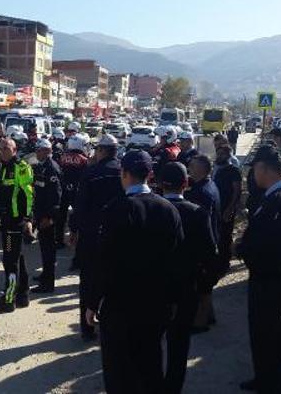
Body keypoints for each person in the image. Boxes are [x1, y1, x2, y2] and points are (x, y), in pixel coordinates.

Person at [85, 150, 184, 393]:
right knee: (150, 365)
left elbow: (103, 262)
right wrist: (173, 301)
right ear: (150, 175)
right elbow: (178, 260)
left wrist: (92, 301)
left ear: (125, 174)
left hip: (120, 307)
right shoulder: (168, 209)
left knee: (119, 371)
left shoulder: (115, 210)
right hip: (156, 305)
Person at [237, 145, 281, 394]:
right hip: (278, 276)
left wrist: (242, 249)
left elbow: (268, 246)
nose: (254, 175)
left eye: (255, 169)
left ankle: (271, 384)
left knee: (268, 337)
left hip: (271, 280)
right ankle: (264, 378)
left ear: (264, 169)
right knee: (265, 336)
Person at [160, 162, 218, 394]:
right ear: (186, 183)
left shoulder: (151, 209)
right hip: (185, 288)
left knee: (150, 341)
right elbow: (210, 253)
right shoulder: (197, 213)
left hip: (152, 289)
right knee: (179, 344)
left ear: (159, 184)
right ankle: (173, 387)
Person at [71, 134, 123, 341]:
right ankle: (112, 326)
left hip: (92, 237)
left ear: (101, 150)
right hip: (118, 236)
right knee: (115, 282)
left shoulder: (91, 173)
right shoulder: (123, 172)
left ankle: (87, 328)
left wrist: (73, 230)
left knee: (88, 283)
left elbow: (80, 204)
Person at [0, 138, 35, 313]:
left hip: (14, 224)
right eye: (1, 148)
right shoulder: (4, 166)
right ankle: (23, 295)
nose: (3, 151)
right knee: (18, 259)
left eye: (7, 148)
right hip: (7, 221)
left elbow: (29, 195)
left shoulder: (21, 167)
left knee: (10, 262)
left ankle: (9, 299)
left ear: (15, 150)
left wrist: (28, 220)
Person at [185, 154, 222, 332]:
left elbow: (199, 223)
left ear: (200, 169)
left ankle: (200, 322)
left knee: (201, 287)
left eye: (191, 166)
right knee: (205, 285)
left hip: (203, 245)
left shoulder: (201, 193)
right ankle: (210, 315)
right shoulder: (209, 185)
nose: (189, 168)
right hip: (212, 240)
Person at [31, 138, 62, 293]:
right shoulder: (41, 167)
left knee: (49, 250)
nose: (37, 152)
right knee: (44, 249)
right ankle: (45, 275)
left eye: (39, 149)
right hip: (41, 213)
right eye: (36, 149)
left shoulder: (51, 168)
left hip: (47, 217)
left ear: (48, 151)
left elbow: (55, 196)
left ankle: (48, 284)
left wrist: (49, 218)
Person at [55, 133, 90, 249]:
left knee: (61, 216)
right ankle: (77, 239)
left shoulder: (63, 157)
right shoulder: (84, 160)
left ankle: (59, 240)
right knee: (79, 216)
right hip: (77, 191)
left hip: (64, 189)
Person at [213, 144, 242, 275]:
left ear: (228, 155)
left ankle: (225, 264)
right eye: (218, 154)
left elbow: (236, 190)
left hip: (227, 208)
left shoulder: (233, 170)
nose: (218, 156)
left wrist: (230, 208)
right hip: (217, 208)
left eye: (221, 154)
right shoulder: (217, 169)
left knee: (225, 236)